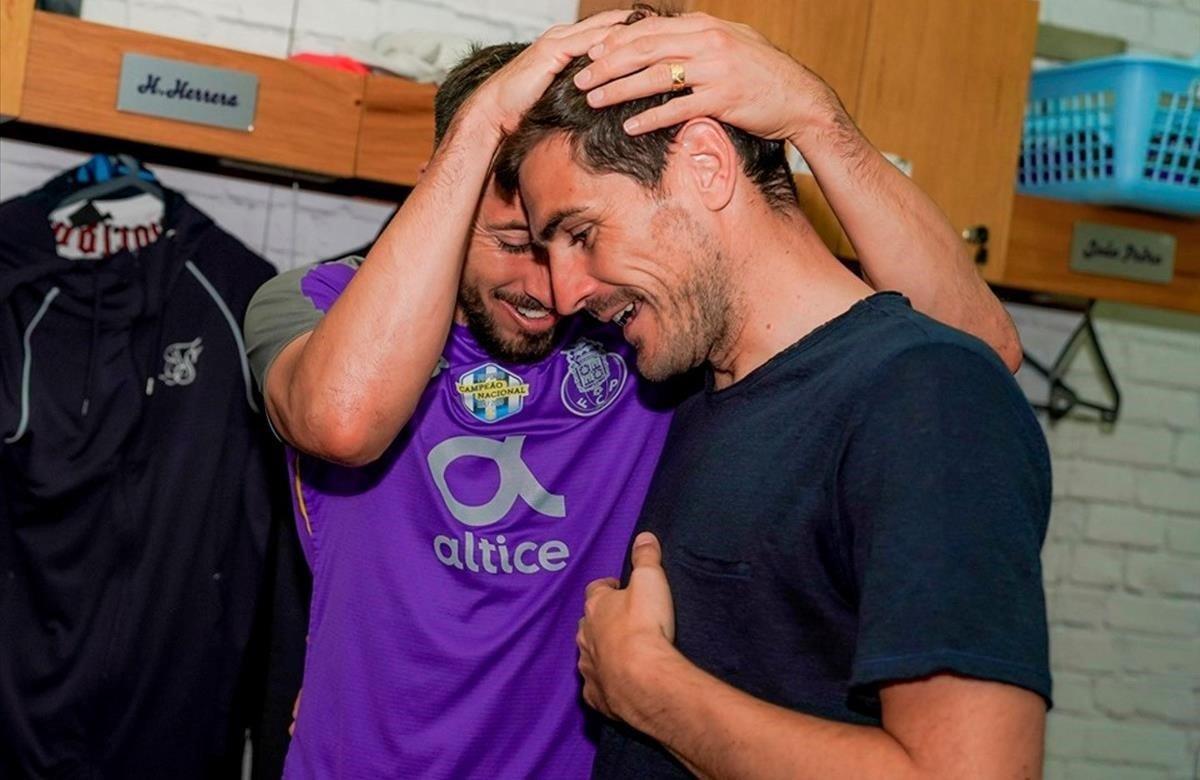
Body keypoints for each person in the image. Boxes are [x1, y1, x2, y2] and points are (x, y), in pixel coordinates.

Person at [243, 9, 1022, 779]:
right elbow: (341, 418)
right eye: (516, 245)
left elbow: (970, 353)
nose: (552, 287)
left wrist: (816, 117)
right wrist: (477, 130)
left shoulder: (641, 330)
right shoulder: (319, 303)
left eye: (573, 237)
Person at [496, 11, 1052, 780]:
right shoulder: (688, 388)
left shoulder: (925, 395)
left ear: (705, 165)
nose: (563, 292)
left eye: (582, 232)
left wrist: (650, 690)